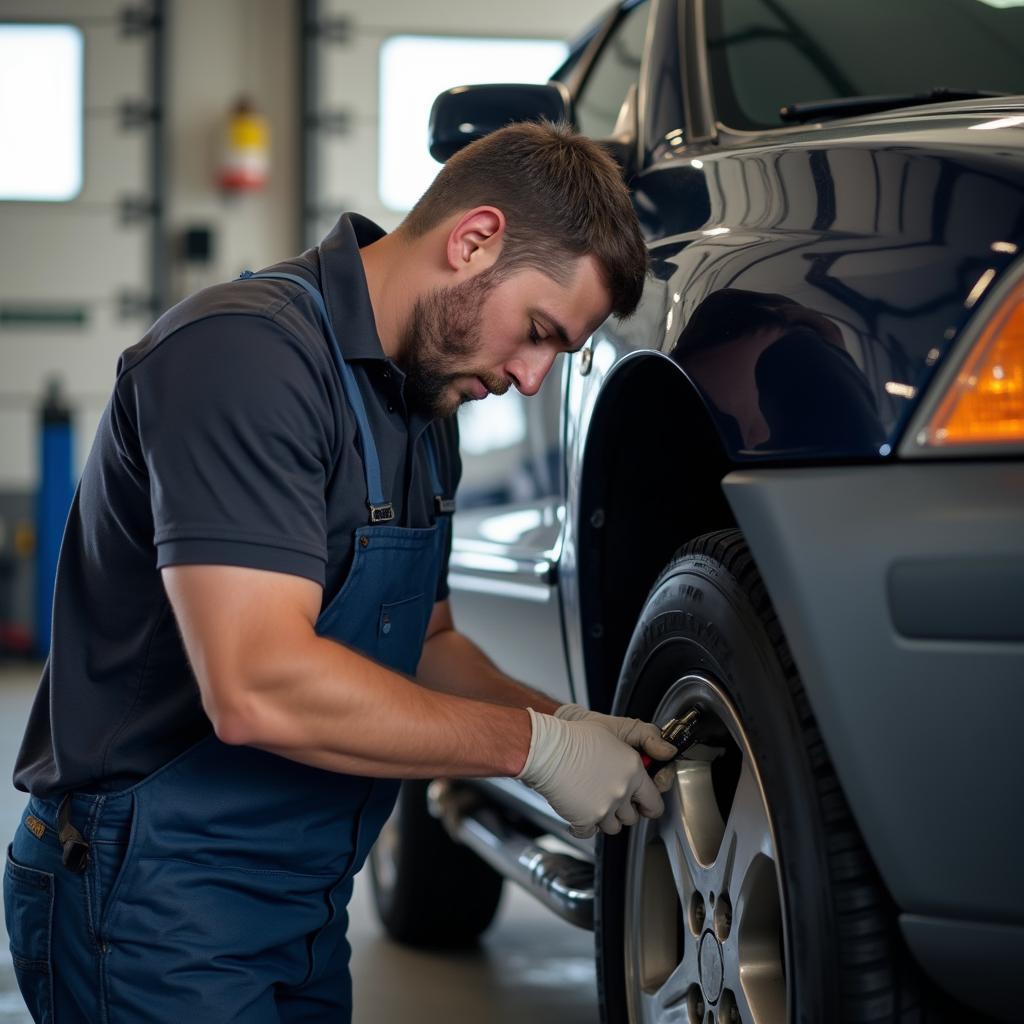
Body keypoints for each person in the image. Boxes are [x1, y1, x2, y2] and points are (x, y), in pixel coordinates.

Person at [4, 121, 675, 1023]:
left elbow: (424, 642)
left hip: (304, 902)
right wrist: (535, 752)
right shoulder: (243, 357)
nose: (529, 379)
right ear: (473, 241)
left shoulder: (425, 401)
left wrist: (570, 724)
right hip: (148, 900)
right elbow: (255, 686)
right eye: (538, 333)